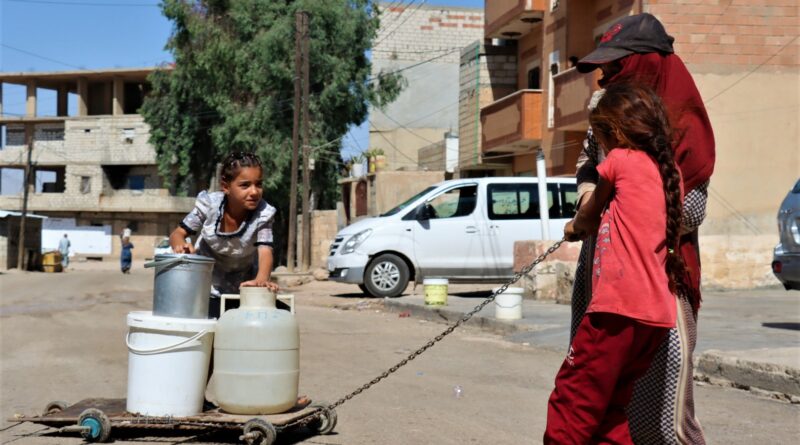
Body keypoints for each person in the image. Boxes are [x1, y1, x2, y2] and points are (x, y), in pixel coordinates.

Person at [570, 13, 715, 444]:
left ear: (646, 62)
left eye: (616, 67)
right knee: (597, 404)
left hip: (660, 281)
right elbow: (586, 164)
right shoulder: (608, 110)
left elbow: (690, 210)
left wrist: (625, 198)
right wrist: (588, 201)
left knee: (663, 421)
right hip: (600, 273)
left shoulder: (684, 118)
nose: (605, 78)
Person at [545, 82, 685, 444]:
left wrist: (573, 226)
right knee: (609, 408)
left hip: (616, 311)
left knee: (571, 401)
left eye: (600, 135)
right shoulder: (671, 176)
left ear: (614, 132)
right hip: (655, 317)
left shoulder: (619, 161)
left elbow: (588, 217)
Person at [169, 152, 280, 319]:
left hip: (244, 288)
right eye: (245, 185)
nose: (254, 192)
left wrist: (261, 280)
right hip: (206, 286)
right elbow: (178, 233)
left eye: (259, 184)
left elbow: (265, 250)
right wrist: (180, 245)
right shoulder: (209, 205)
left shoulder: (263, 214)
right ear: (226, 186)